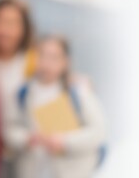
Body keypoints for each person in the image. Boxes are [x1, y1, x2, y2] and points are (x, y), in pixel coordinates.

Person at [7, 35, 106, 178]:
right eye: (42, 55)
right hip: (32, 170)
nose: (47, 63)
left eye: (54, 57)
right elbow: (9, 128)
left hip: (71, 171)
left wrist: (65, 142)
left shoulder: (78, 92)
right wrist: (26, 139)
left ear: (66, 62)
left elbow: (98, 131)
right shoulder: (23, 93)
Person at [0, 0, 36, 177]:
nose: (5, 30)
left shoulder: (36, 64)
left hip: (28, 154)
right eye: (0, 22)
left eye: (13, 24)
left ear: (24, 29)